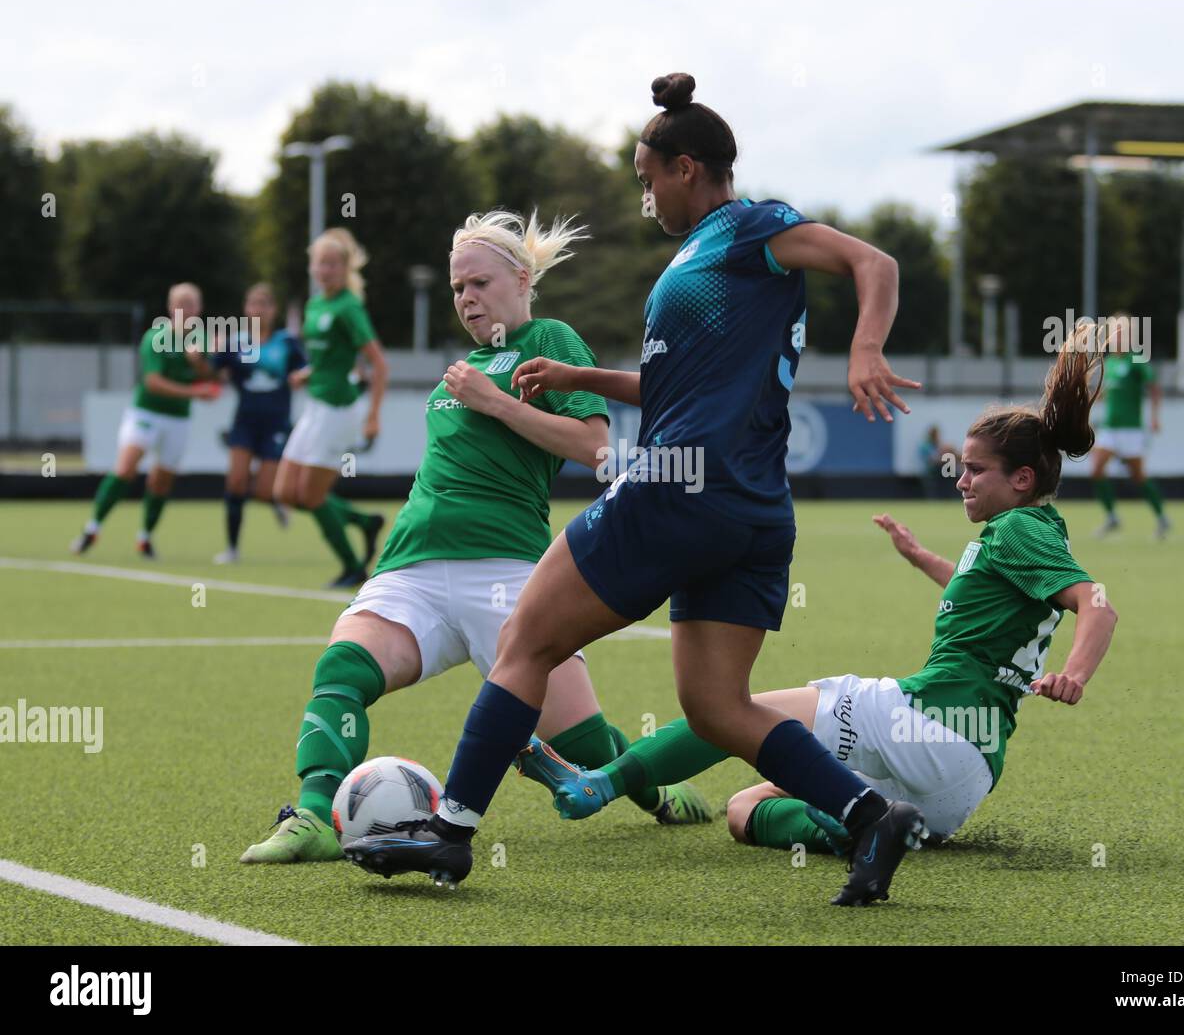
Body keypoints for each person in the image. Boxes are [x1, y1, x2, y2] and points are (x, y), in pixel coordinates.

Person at [343, 73, 923, 907]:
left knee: (526, 643)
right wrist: (584, 374)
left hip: (675, 491)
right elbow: (682, 386)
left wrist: (867, 348)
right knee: (718, 705)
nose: (644, 196)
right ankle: (870, 814)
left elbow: (875, 262)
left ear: (688, 167)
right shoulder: (704, 259)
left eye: (647, 178)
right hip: (751, 510)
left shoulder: (750, 225)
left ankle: (453, 829)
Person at [516, 330, 1118, 869]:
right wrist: (925, 560)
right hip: (964, 782)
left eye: (976, 470)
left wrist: (1076, 674)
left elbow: (1096, 602)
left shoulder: (1016, 530)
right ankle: (851, 832)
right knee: (745, 809)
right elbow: (996, 599)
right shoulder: (1036, 533)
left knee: (722, 711)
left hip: (926, 723)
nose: (961, 479)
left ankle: (599, 784)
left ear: (1022, 479)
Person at [240, 209, 710, 865]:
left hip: (510, 573)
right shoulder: (461, 367)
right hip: (413, 568)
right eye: (458, 287)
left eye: (479, 283)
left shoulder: (551, 339)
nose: (466, 297)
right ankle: (315, 817)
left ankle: (654, 788)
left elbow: (597, 449)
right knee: (341, 669)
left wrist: (497, 403)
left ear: (521, 280)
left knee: (584, 740)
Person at [272, 228, 388, 588]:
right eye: (321, 263)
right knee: (285, 494)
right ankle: (364, 522)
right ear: (312, 267)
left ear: (345, 268)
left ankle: (354, 567)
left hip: (340, 411)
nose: (326, 270)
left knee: (310, 496)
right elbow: (330, 358)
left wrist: (373, 416)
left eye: (333, 264)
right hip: (315, 406)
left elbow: (378, 365)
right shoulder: (315, 304)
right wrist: (307, 374)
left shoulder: (349, 307)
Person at [71, 283, 220, 558]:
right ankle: (92, 528)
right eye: (180, 305)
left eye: (191, 305)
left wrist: (200, 364)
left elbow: (214, 380)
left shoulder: (202, 342)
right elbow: (153, 383)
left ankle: (145, 537)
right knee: (126, 469)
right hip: (146, 413)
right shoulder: (156, 337)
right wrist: (195, 392)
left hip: (179, 419)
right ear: (170, 308)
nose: (185, 310)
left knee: (162, 482)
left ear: (199, 309)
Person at [211, 283, 304, 564]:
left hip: (276, 422)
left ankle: (277, 502)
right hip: (245, 421)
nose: (257, 310)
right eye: (253, 304)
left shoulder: (286, 342)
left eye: (263, 304)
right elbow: (213, 372)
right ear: (245, 308)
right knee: (236, 481)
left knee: (265, 490)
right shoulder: (235, 341)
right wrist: (202, 356)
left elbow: (306, 371)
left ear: (273, 310)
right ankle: (232, 549)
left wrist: (305, 377)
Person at [1091, 314, 1169, 539]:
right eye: (1114, 333)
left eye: (1122, 333)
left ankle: (1161, 516)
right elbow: (1106, 393)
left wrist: (1155, 417)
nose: (1117, 337)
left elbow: (1154, 388)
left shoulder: (1136, 359)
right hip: (1110, 428)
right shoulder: (1111, 362)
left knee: (1138, 477)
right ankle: (1112, 517)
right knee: (1096, 470)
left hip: (1131, 429)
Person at [918, 424, 957, 499]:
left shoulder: (938, 444)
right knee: (933, 490)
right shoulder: (925, 445)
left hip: (940, 470)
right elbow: (931, 460)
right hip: (931, 471)